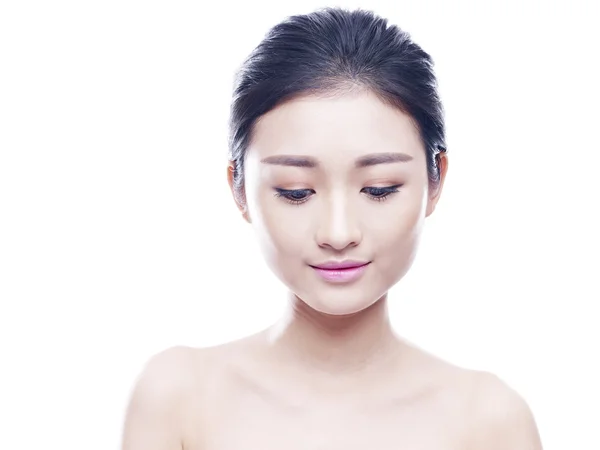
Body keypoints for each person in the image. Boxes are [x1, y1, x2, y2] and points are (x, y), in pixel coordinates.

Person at [121, 7, 543, 450]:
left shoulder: (490, 422)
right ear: (240, 189)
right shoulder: (179, 399)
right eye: (296, 191)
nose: (339, 233)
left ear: (435, 181)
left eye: (379, 189)